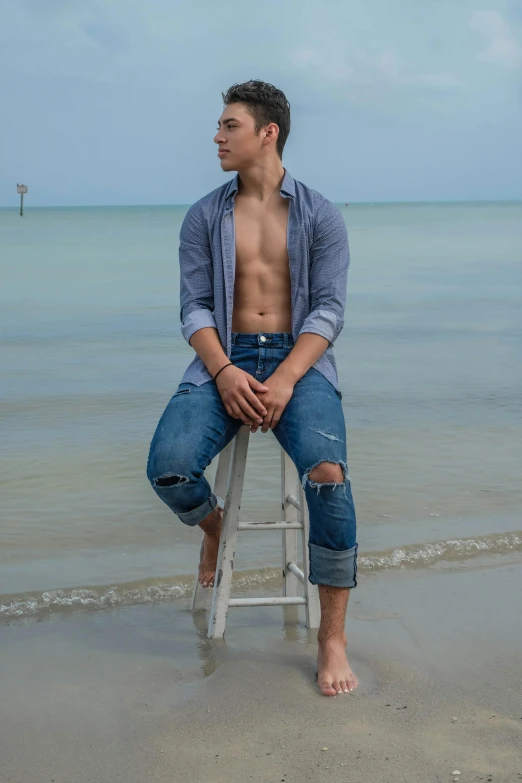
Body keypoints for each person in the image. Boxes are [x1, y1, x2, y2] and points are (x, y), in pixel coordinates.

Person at [146, 80, 358, 697]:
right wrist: (224, 371)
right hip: (226, 359)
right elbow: (194, 309)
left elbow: (328, 312)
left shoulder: (320, 215)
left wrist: (288, 377)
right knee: (169, 467)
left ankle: (332, 638)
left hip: (300, 362)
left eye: (228, 125)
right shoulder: (203, 216)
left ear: (267, 133)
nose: (216, 136)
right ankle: (215, 529)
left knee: (329, 476)